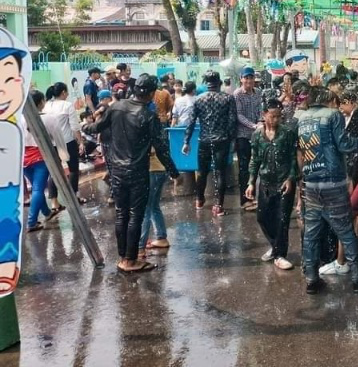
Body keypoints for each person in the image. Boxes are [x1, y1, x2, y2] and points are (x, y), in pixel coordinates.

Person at [85, 74, 179, 272]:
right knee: (136, 215)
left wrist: (84, 126)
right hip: (137, 172)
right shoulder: (148, 116)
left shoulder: (116, 107)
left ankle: (123, 258)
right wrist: (173, 172)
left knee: (121, 214)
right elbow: (161, 148)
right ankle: (130, 260)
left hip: (117, 170)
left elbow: (97, 127)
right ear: (152, 94)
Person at [298, 87, 358, 295]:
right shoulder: (332, 115)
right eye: (335, 102)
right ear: (328, 100)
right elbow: (344, 145)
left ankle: (311, 279)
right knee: (345, 231)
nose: (338, 106)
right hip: (332, 183)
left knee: (311, 235)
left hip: (311, 184)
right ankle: (357, 279)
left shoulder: (302, 117)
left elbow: (299, 151)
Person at [246, 99, 299, 271]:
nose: (276, 120)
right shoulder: (257, 135)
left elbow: (293, 158)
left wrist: (291, 178)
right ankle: (275, 246)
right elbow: (254, 159)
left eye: (279, 116)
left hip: (284, 182)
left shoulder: (287, 133)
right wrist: (251, 183)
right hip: (266, 183)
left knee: (282, 220)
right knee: (262, 217)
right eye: (272, 116)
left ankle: (280, 255)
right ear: (264, 115)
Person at [183, 70, 237, 217]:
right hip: (222, 139)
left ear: (206, 84)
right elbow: (232, 122)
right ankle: (218, 206)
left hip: (204, 140)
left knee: (202, 172)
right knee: (220, 172)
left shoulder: (198, 99)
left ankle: (199, 200)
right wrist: (232, 140)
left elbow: (191, 122)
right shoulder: (227, 99)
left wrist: (186, 142)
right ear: (219, 83)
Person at [21, 90, 69, 231]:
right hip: (40, 157)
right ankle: (31, 222)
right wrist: (64, 156)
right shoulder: (49, 118)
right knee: (38, 189)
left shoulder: (20, 118)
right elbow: (58, 139)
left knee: (37, 188)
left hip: (24, 158)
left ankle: (47, 212)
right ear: (41, 102)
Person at [44, 82, 85, 202]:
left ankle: (54, 202)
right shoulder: (67, 105)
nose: (67, 94)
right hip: (67, 142)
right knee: (73, 169)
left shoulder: (47, 105)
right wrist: (80, 141)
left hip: (52, 143)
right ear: (63, 92)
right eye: (66, 92)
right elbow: (74, 127)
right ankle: (73, 197)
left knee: (55, 171)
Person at [234, 66, 263, 211]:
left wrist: (260, 122)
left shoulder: (258, 93)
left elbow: (260, 111)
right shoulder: (237, 94)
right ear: (241, 79)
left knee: (256, 167)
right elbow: (238, 115)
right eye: (246, 78)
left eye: (251, 77)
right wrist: (253, 125)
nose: (249, 80)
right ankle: (244, 200)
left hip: (256, 134)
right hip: (242, 136)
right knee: (244, 168)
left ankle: (253, 197)